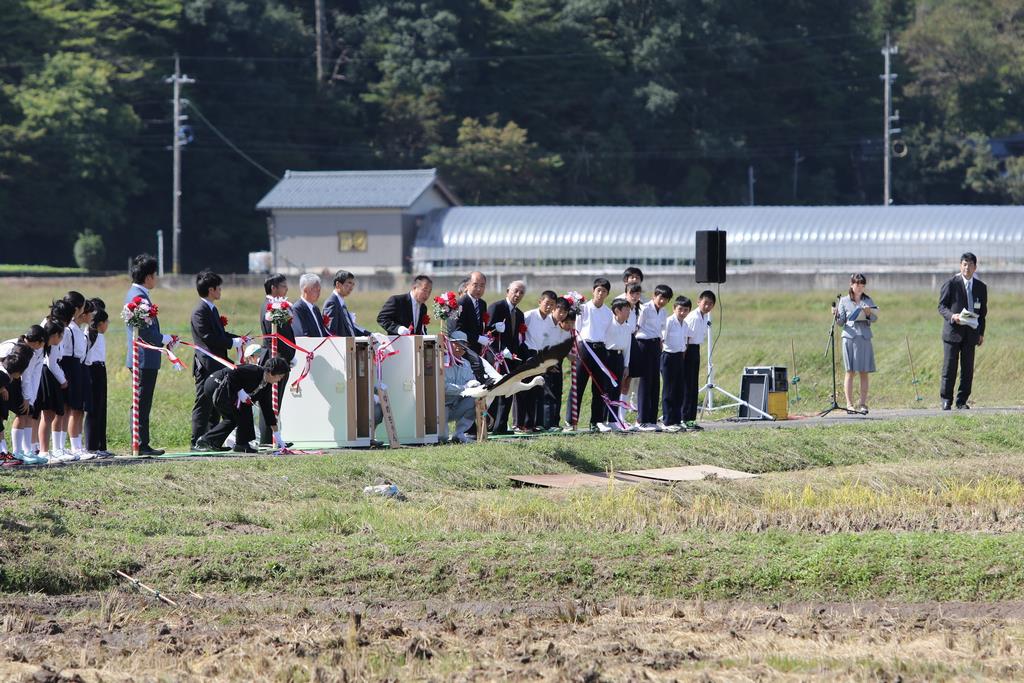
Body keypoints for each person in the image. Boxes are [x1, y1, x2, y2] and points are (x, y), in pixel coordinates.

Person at [124, 253, 172, 456]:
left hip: (142, 356)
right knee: (142, 401)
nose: (156, 279)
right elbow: (145, 331)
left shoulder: (136, 295)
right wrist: (165, 338)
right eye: (155, 275)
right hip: (143, 357)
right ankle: (141, 443)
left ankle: (141, 441)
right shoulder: (139, 298)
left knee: (142, 401)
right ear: (148, 277)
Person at [190, 271, 244, 448]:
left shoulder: (212, 309)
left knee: (217, 403)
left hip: (218, 363)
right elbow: (207, 337)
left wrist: (238, 339)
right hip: (206, 364)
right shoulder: (200, 311)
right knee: (203, 403)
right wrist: (231, 342)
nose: (221, 290)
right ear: (211, 290)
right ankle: (196, 441)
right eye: (219, 287)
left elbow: (220, 334)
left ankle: (212, 441)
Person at [194, 356, 290, 453]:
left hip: (228, 390)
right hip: (216, 384)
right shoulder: (254, 370)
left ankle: (239, 444)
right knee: (234, 418)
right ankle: (205, 440)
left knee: (244, 411)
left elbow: (267, 409)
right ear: (271, 372)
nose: (279, 380)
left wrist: (277, 436)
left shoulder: (266, 385)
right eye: (280, 376)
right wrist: (240, 390)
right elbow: (232, 370)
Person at [938, 252, 987, 410]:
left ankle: (961, 400)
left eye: (970, 265)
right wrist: (953, 316)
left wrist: (981, 333)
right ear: (961, 266)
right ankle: (946, 399)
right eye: (964, 264)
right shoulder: (951, 283)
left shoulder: (981, 287)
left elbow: (983, 314)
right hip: (953, 332)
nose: (967, 267)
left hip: (971, 334)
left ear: (975, 267)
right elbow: (941, 307)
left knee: (967, 370)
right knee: (949, 368)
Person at [485, 281, 527, 434]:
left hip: (511, 358)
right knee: (495, 392)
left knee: (508, 392)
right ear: (508, 290)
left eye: (521, 293)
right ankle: (490, 425)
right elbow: (487, 332)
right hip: (496, 357)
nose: (518, 295)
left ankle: (501, 426)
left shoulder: (519, 314)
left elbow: (519, 339)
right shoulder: (497, 307)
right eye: (515, 291)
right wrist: (499, 351)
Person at [258, 274, 295, 446]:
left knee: (276, 401)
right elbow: (277, 334)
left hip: (282, 359)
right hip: (274, 358)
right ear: (273, 287)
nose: (286, 289)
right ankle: (267, 440)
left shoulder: (277, 306)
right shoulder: (270, 307)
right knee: (269, 401)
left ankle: (274, 438)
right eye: (283, 286)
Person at [2, 326, 48, 463]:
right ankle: (15, 452)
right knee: (19, 413)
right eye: (42, 344)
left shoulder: (32, 351)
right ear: (38, 342)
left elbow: (30, 376)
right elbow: (25, 376)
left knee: (25, 413)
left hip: (14, 380)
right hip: (5, 381)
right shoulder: (15, 347)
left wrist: (30, 399)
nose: (42, 347)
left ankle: (27, 451)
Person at [573, 278, 614, 431]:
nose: (601, 294)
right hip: (584, 348)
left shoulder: (608, 313)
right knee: (578, 385)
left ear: (607, 294)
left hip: (600, 349)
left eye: (604, 291)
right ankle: (572, 421)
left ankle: (596, 421)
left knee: (599, 387)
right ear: (593, 291)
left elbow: (607, 333)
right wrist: (576, 348)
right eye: (598, 290)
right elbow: (576, 329)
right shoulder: (582, 308)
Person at [834, 274, 878, 414]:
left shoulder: (868, 299)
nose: (860, 288)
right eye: (857, 285)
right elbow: (841, 323)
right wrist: (836, 315)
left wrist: (868, 313)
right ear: (851, 284)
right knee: (850, 371)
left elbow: (874, 318)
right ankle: (849, 404)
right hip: (849, 337)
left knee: (864, 372)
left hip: (864, 338)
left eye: (862, 285)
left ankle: (863, 404)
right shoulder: (844, 301)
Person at [634, 284, 672, 431]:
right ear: (654, 296)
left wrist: (661, 341)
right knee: (645, 381)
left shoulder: (663, 312)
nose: (662, 301)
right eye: (660, 297)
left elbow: (662, 328)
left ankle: (651, 419)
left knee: (655, 382)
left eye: (666, 299)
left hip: (656, 344)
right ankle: (641, 420)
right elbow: (637, 327)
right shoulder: (644, 308)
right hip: (643, 344)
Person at [521, 290, 558, 431]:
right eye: (547, 303)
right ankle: (521, 423)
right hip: (529, 354)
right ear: (540, 302)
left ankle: (533, 423)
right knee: (526, 389)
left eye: (552, 305)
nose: (549, 307)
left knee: (538, 391)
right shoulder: (529, 316)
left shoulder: (550, 321)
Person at [443, 331, 487, 443]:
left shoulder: (466, 364)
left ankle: (459, 434)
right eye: (456, 343)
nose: (459, 347)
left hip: (457, 405)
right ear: (448, 344)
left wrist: (475, 386)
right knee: (441, 439)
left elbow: (471, 381)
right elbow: (443, 388)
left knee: (475, 399)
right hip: (440, 408)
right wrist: (464, 387)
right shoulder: (443, 362)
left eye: (463, 345)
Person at [681, 290, 715, 431]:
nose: (707, 306)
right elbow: (687, 339)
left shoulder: (704, 316)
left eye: (710, 304)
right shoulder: (694, 317)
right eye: (705, 303)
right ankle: (684, 418)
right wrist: (684, 357)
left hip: (696, 350)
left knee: (693, 386)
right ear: (699, 302)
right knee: (687, 386)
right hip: (688, 350)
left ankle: (690, 419)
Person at [599, 298, 633, 431]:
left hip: (619, 358)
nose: (628, 312)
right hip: (608, 357)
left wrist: (626, 365)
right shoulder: (608, 324)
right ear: (617, 311)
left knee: (617, 389)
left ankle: (613, 420)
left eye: (629, 310)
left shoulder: (627, 327)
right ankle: (602, 419)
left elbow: (628, 348)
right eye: (626, 310)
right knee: (605, 389)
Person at [661, 296, 692, 432]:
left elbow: (684, 343)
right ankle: (667, 421)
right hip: (668, 356)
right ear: (674, 309)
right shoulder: (668, 322)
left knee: (679, 389)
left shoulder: (685, 324)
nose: (682, 312)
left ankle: (677, 419)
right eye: (680, 309)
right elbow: (661, 340)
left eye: (686, 310)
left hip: (679, 356)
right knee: (669, 389)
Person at [84, 307, 110, 456]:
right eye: (107, 322)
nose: (107, 325)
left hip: (100, 369)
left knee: (101, 407)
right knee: (93, 409)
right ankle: (92, 446)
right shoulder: (89, 335)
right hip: (92, 370)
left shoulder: (99, 335)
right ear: (100, 323)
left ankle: (101, 446)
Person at [323, 270, 368, 337]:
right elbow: (330, 332)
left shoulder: (341, 303)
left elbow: (351, 328)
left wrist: (370, 334)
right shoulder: (332, 303)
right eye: (349, 283)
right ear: (338, 284)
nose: (351, 287)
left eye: (353, 284)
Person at [454, 271, 489, 353]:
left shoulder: (482, 303)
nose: (479, 289)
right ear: (467, 286)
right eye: (475, 285)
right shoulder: (461, 303)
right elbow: (458, 329)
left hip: (478, 348)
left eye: (482, 285)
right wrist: (477, 338)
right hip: (463, 348)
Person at [292, 273, 329, 338]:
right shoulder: (297, 309)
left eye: (319, 290)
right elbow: (302, 334)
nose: (319, 293)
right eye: (316, 290)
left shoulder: (315, 309)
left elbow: (322, 332)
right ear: (305, 290)